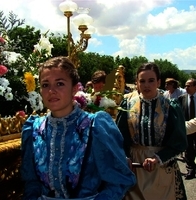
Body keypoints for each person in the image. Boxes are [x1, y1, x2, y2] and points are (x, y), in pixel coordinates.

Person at [21, 56, 136, 200]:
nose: (51, 91)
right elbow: (31, 183)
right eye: (45, 85)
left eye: (60, 84)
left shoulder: (94, 126)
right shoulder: (34, 128)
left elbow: (119, 181)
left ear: (74, 89)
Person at [116, 62, 188, 200]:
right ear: (136, 83)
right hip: (135, 168)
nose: (146, 85)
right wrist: (125, 157)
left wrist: (158, 158)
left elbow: (179, 142)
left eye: (151, 80)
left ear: (159, 82)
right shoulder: (127, 105)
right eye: (142, 81)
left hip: (162, 167)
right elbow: (120, 137)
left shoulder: (170, 106)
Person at [178, 78, 196, 180]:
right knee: (188, 149)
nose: (186, 88)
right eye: (185, 86)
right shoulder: (182, 98)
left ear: (195, 87)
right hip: (187, 128)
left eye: (189, 86)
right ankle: (191, 170)